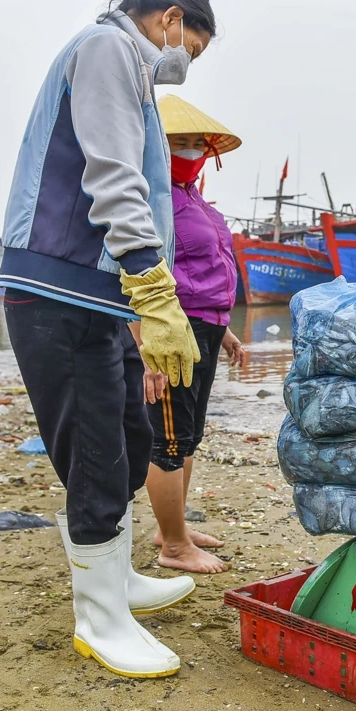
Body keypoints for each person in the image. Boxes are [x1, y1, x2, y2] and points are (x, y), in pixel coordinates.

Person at [0, 0, 218, 679]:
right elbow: (114, 176)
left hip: (99, 297)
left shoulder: (132, 69)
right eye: (195, 47)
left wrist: (140, 310)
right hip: (58, 290)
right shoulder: (107, 51)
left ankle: (116, 578)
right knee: (95, 453)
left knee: (127, 436)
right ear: (172, 20)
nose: (187, 63)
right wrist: (157, 292)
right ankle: (99, 618)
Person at [141, 95, 246, 574]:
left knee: (189, 437)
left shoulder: (193, 198)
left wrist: (224, 332)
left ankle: (173, 528)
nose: (187, 151)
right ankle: (174, 548)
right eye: (175, 143)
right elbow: (134, 276)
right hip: (170, 331)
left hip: (205, 327)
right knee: (167, 439)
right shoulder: (147, 199)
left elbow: (205, 270)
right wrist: (144, 347)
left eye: (193, 143)